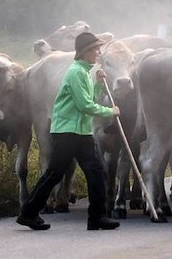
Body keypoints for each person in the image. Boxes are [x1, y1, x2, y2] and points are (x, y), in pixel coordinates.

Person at [16, 32, 121, 231]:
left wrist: (98, 83)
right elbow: (85, 106)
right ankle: (29, 213)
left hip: (80, 130)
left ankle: (96, 217)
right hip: (68, 131)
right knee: (56, 173)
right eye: (94, 49)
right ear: (84, 52)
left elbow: (91, 98)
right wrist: (111, 111)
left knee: (96, 172)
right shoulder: (76, 73)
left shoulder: (85, 72)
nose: (98, 53)